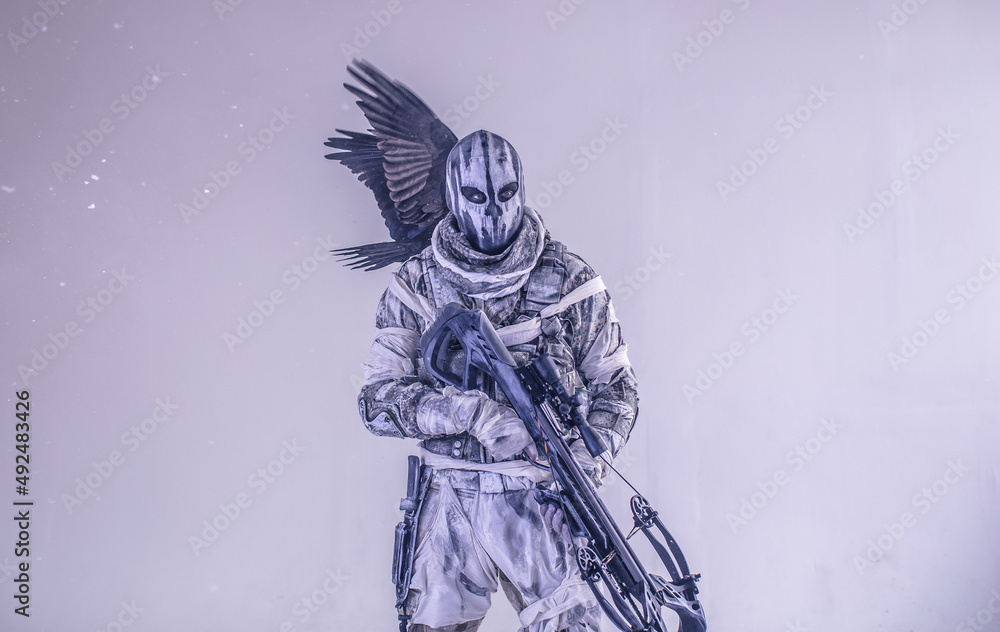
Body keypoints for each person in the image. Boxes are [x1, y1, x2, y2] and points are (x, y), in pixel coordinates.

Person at [356, 129, 638, 632]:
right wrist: (470, 413)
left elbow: (617, 388)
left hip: (542, 497)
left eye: (505, 193)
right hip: (448, 500)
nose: (492, 211)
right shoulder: (417, 283)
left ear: (522, 189)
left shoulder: (569, 279)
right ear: (453, 195)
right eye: (476, 195)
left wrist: (583, 464)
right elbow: (376, 401)